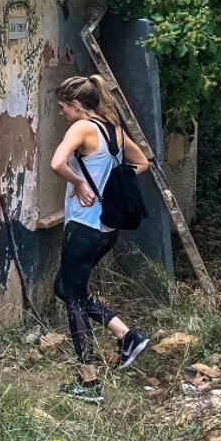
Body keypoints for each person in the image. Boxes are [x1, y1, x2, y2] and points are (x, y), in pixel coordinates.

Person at [49, 75, 152, 403]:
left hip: (83, 227)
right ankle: (126, 336)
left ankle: (89, 382)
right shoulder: (115, 132)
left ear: (77, 105)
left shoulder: (81, 128)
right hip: (107, 231)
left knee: (74, 298)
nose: (62, 113)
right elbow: (142, 162)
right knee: (65, 288)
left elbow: (56, 163)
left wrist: (79, 184)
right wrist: (114, 185)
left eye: (63, 107)